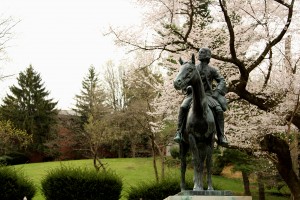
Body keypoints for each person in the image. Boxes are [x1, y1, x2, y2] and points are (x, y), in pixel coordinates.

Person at [174, 47, 229, 146]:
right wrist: (187, 88)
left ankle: (221, 135)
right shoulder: (194, 68)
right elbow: (186, 79)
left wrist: (217, 92)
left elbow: (221, 80)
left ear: (207, 57)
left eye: (203, 54)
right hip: (193, 95)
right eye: (201, 54)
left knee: (219, 110)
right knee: (183, 107)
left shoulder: (212, 70)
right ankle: (179, 132)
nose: (202, 56)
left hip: (208, 96)